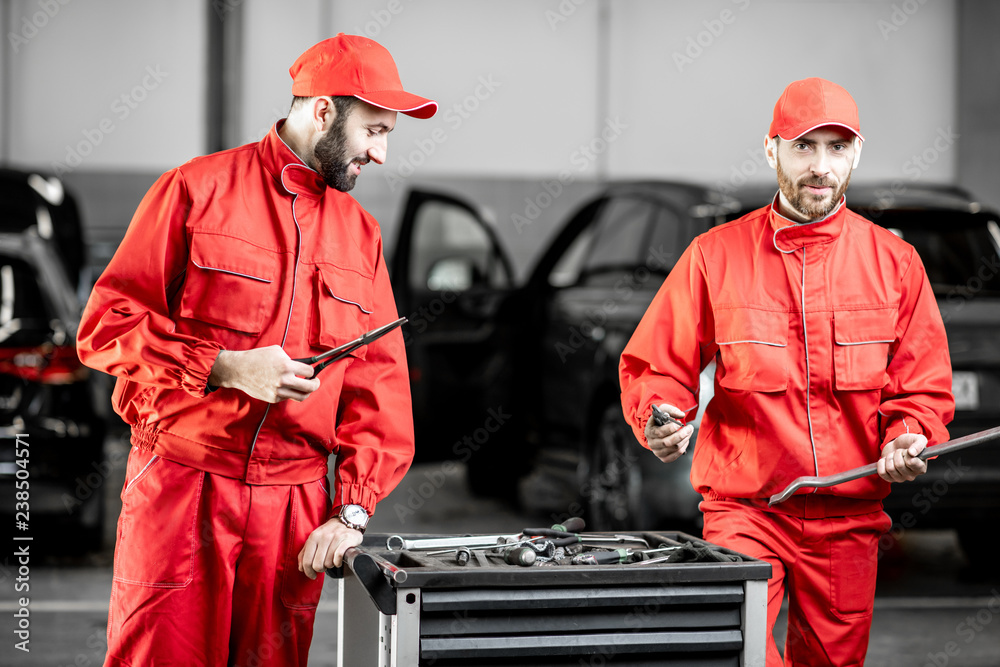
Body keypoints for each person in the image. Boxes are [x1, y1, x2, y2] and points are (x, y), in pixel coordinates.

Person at [76, 34, 436, 667]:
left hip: (291, 511)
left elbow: (379, 387)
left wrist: (351, 509)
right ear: (323, 111)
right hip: (183, 487)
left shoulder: (360, 235)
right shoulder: (194, 190)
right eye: (374, 130)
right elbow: (107, 325)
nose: (381, 153)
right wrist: (225, 367)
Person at [619, 77, 954, 666]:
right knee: (738, 653)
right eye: (803, 146)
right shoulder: (714, 256)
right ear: (771, 149)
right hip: (748, 509)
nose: (820, 165)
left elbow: (920, 385)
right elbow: (657, 365)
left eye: (836, 148)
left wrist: (909, 433)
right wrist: (659, 416)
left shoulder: (896, 265)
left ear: (856, 154)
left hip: (848, 519)